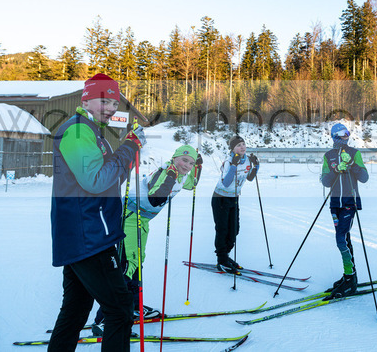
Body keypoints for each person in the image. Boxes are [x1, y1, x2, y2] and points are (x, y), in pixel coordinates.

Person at [48, 73, 146, 352]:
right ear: (85, 101)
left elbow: (110, 179)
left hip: (86, 232)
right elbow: (96, 181)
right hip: (88, 234)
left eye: (114, 103)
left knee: (76, 309)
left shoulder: (91, 131)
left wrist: (128, 150)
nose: (111, 108)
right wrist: (128, 148)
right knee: (120, 308)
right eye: (104, 101)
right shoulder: (78, 131)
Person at [92, 144, 203, 335]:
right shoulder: (165, 172)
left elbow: (191, 184)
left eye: (191, 163)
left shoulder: (182, 175)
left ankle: (134, 306)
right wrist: (170, 177)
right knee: (128, 264)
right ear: (174, 158)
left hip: (141, 220)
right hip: (129, 217)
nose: (186, 165)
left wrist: (198, 167)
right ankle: (105, 318)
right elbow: (155, 199)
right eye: (184, 160)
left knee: (137, 262)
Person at [320, 123, 369, 298]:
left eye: (347, 133)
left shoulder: (354, 153)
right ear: (335, 136)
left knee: (340, 238)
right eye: (342, 133)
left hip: (349, 202)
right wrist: (336, 169)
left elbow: (364, 177)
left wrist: (352, 164)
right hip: (335, 203)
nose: (346, 136)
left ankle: (349, 276)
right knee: (345, 238)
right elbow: (325, 181)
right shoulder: (328, 156)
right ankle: (350, 277)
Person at [212, 135, 259, 273]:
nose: (242, 147)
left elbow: (250, 178)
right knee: (222, 230)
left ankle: (225, 256)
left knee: (234, 230)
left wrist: (256, 166)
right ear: (233, 148)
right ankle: (222, 260)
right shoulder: (228, 161)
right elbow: (226, 183)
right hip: (221, 198)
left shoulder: (247, 160)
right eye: (238, 145)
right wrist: (233, 165)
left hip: (234, 198)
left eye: (243, 144)